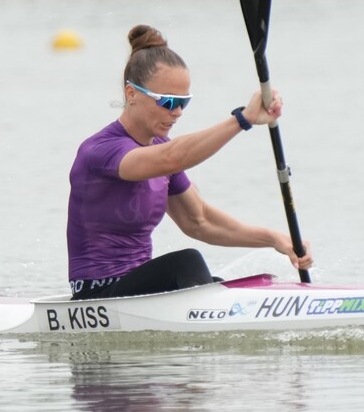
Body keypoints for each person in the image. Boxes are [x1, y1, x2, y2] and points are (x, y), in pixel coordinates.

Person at [66, 24, 312, 300]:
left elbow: (200, 221)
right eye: (168, 102)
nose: (178, 112)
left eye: (184, 102)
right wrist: (243, 119)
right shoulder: (100, 151)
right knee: (187, 263)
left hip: (137, 291)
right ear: (131, 94)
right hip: (96, 293)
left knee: (224, 284)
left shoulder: (161, 148)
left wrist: (273, 238)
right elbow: (173, 158)